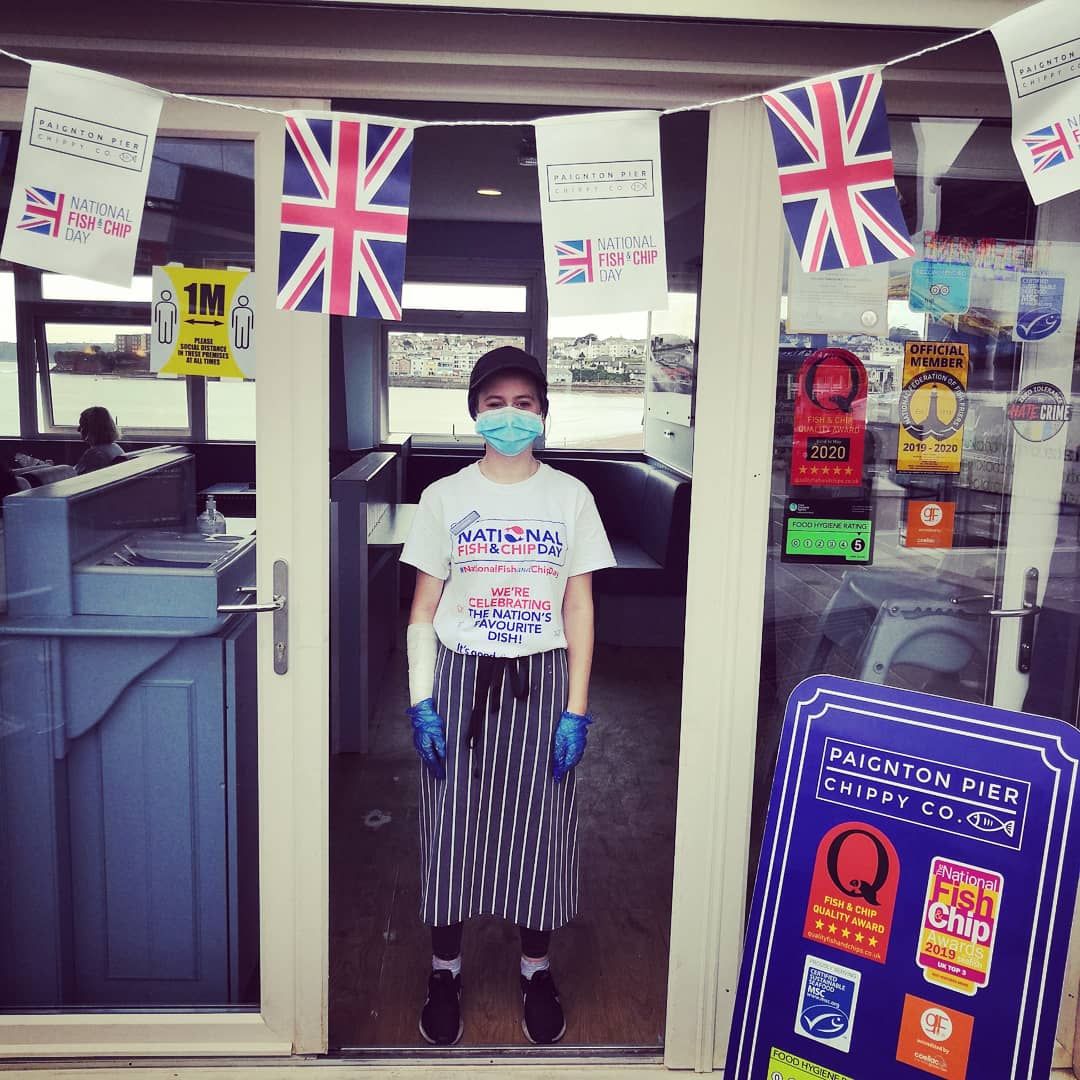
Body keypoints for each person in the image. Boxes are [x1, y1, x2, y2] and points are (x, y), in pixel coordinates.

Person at [399, 345, 615, 1046]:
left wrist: (576, 710)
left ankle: (535, 970)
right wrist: (420, 701)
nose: (511, 415)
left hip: (542, 677)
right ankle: (444, 969)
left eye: (525, 403)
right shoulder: (445, 497)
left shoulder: (570, 497)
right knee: (451, 827)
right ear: (474, 412)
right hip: (460, 679)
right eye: (495, 403)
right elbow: (422, 612)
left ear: (544, 413)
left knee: (540, 830)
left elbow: (579, 608)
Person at [75, 407, 124, 475]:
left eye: (82, 425)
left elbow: (76, 478)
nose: (78, 429)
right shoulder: (115, 448)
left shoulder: (95, 454)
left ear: (92, 429)